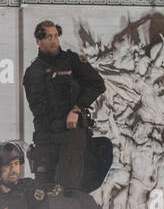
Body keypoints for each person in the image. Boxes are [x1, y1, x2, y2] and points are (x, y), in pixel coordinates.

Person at [23, 20, 107, 192]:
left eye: (56, 36)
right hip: (46, 138)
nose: (54, 41)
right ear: (38, 41)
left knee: (70, 189)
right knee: (44, 192)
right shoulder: (32, 72)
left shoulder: (73, 61)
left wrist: (77, 109)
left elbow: (98, 84)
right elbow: (36, 108)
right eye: (48, 37)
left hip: (71, 135)